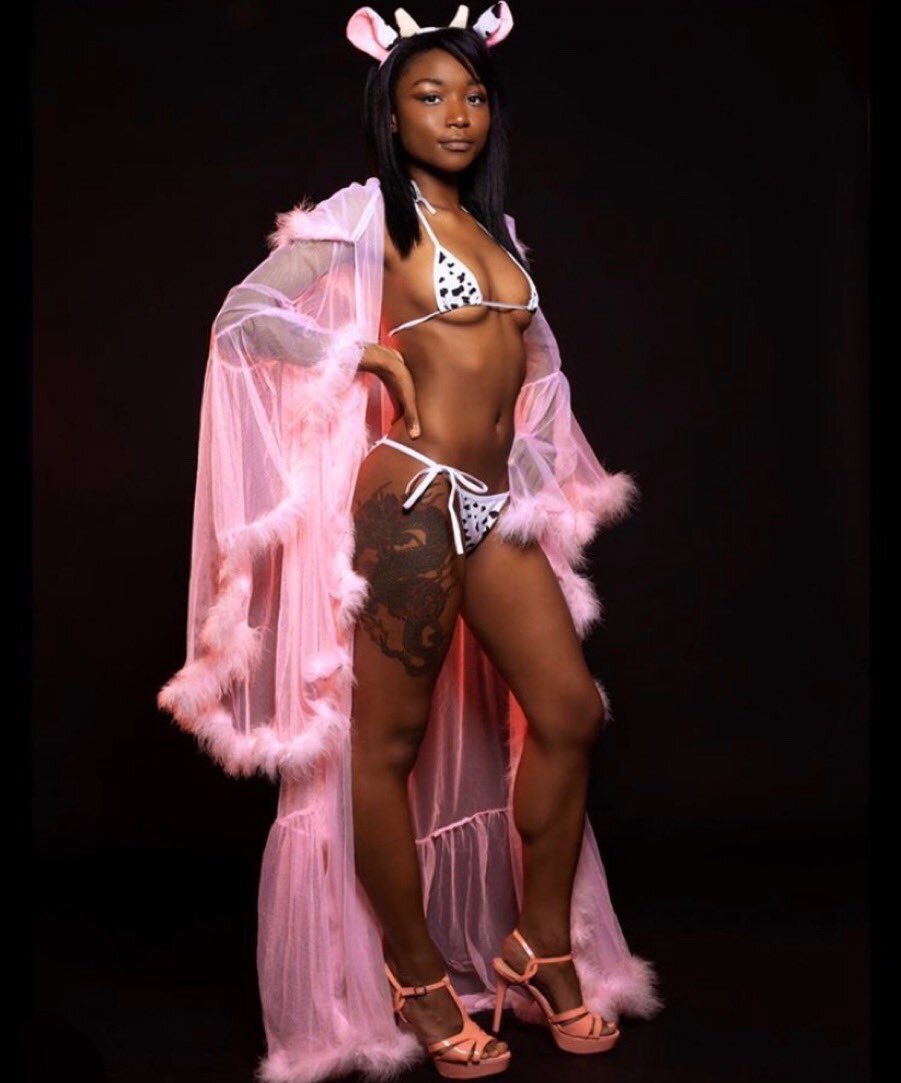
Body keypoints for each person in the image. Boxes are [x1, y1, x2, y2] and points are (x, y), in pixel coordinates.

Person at [157, 5, 663, 1081]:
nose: (457, 114)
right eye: (430, 96)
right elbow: (244, 315)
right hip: (412, 500)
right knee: (385, 745)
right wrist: (360, 356)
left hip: (492, 503)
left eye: (473, 96)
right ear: (390, 114)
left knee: (567, 712)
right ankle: (417, 974)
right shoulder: (365, 214)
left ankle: (539, 944)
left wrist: (533, 468)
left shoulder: (496, 231)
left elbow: (536, 369)